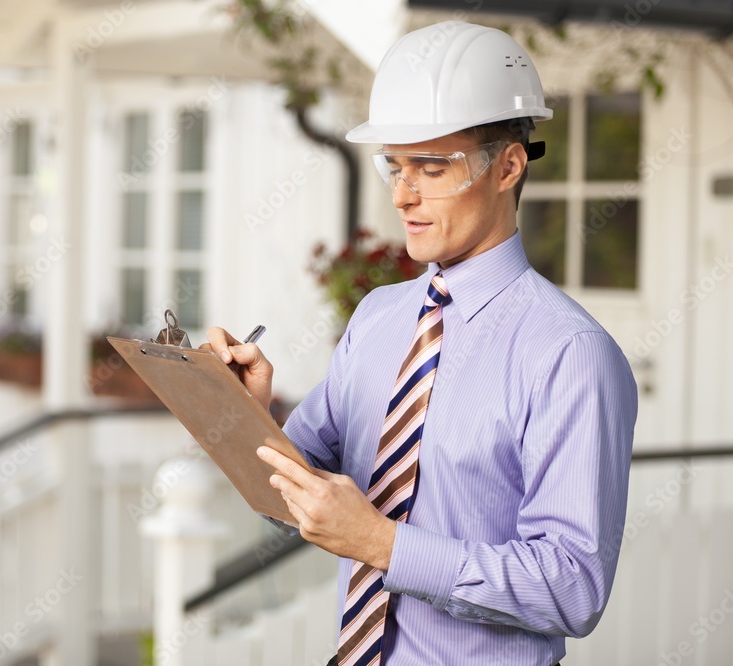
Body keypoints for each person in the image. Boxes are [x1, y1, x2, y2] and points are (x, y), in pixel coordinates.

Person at [203, 20, 638, 666]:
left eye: (431, 169)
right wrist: (244, 416)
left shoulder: (569, 354)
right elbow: (295, 505)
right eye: (395, 167)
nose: (403, 195)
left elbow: (572, 587)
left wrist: (383, 544)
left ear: (508, 166)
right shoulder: (378, 319)